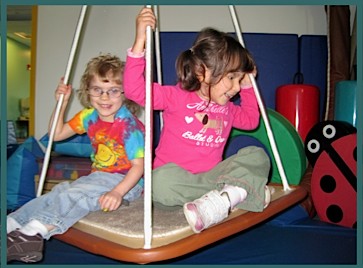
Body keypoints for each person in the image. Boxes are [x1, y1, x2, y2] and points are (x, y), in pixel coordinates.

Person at [123, 7, 272, 234]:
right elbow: (134, 90)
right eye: (232, 77)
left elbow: (252, 120)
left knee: (256, 155)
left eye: (239, 79)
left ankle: (226, 197)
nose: (235, 88)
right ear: (202, 72)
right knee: (159, 181)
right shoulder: (176, 96)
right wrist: (140, 41)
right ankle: (237, 193)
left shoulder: (228, 109)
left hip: (212, 177)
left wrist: (249, 86)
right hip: (176, 185)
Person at [7, 54, 145, 263]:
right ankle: (12, 223)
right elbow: (56, 134)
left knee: (77, 196)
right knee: (60, 191)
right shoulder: (88, 116)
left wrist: (117, 192)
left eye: (114, 91)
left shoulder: (129, 126)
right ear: (88, 91)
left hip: (125, 181)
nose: (105, 97)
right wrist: (61, 104)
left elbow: (139, 167)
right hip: (97, 177)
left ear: (125, 94)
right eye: (97, 89)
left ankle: (32, 235)